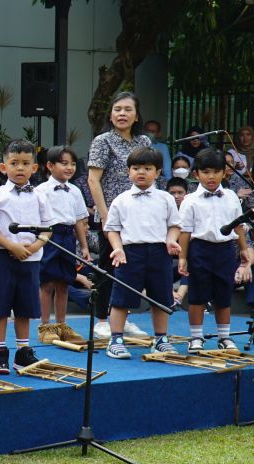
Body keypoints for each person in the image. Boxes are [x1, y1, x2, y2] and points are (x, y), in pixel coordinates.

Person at [0, 139, 50, 375]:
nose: (20, 168)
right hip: (4, 259)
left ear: (35, 168)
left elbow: (48, 227)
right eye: (14, 163)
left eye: (26, 163)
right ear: (3, 167)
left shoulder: (39, 196)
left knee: (25, 307)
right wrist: (12, 245)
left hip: (31, 260)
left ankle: (22, 352)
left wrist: (36, 245)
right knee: (0, 307)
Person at [102, 147, 180, 359]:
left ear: (158, 172)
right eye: (136, 168)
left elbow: (175, 225)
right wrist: (117, 248)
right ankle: (116, 339)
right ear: (128, 171)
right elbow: (112, 229)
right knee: (121, 297)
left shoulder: (166, 198)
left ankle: (161, 339)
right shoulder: (121, 199)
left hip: (159, 252)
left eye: (147, 168)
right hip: (130, 253)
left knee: (161, 298)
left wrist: (171, 240)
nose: (141, 172)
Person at [87, 91, 153, 342]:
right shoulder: (103, 140)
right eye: (117, 109)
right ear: (111, 115)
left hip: (140, 215)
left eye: (127, 109)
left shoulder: (144, 141)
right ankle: (103, 320)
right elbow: (94, 180)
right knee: (108, 266)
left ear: (137, 115)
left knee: (133, 268)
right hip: (111, 215)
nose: (122, 114)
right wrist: (105, 217)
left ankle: (123, 318)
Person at [178, 148, 253, 353]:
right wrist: (183, 257)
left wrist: (244, 249)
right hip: (199, 249)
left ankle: (224, 337)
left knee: (223, 292)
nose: (211, 176)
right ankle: (195, 337)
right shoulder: (190, 200)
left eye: (216, 171)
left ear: (224, 172)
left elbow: (238, 225)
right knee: (197, 294)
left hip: (225, 251)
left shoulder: (230, 196)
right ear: (196, 174)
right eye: (206, 172)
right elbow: (185, 231)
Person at [36, 145, 91, 346]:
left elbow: (78, 221)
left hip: (68, 236)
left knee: (64, 282)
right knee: (48, 282)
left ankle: (61, 325)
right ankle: (45, 326)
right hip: (49, 235)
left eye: (73, 164)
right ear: (50, 166)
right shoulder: (41, 190)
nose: (69, 168)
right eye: (64, 163)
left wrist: (83, 246)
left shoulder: (75, 190)